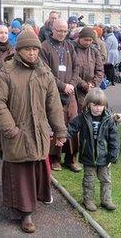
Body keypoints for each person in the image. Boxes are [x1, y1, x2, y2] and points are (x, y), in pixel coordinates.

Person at [0, 31, 67, 233]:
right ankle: (25, 214)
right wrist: (11, 129)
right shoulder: (6, 72)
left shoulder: (44, 72)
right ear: (19, 50)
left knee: (34, 171)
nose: (32, 53)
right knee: (20, 175)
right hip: (18, 133)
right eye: (27, 49)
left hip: (38, 132)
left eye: (34, 49)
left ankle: (30, 205)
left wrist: (59, 130)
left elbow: (54, 105)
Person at [68, 88, 120, 212]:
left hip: (104, 157)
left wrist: (113, 155)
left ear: (104, 105)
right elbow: (72, 128)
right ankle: (88, 200)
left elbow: (114, 139)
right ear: (88, 104)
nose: (98, 108)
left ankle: (106, 200)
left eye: (100, 105)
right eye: (95, 105)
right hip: (88, 156)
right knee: (89, 180)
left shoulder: (109, 120)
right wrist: (63, 135)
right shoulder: (82, 118)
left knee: (106, 180)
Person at [40, 18, 81, 172]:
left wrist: (72, 84)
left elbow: (77, 67)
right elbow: (46, 71)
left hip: (70, 93)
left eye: (65, 31)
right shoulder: (44, 47)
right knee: (56, 123)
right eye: (60, 31)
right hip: (53, 93)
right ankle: (55, 158)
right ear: (52, 30)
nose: (63, 33)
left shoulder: (70, 46)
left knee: (73, 123)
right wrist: (62, 86)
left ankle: (71, 158)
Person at [72, 27, 104, 111]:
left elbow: (99, 70)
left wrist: (93, 84)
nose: (88, 42)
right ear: (80, 37)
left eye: (90, 40)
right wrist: (84, 85)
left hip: (91, 88)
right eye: (86, 40)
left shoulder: (94, 50)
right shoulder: (72, 48)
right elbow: (71, 71)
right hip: (76, 88)